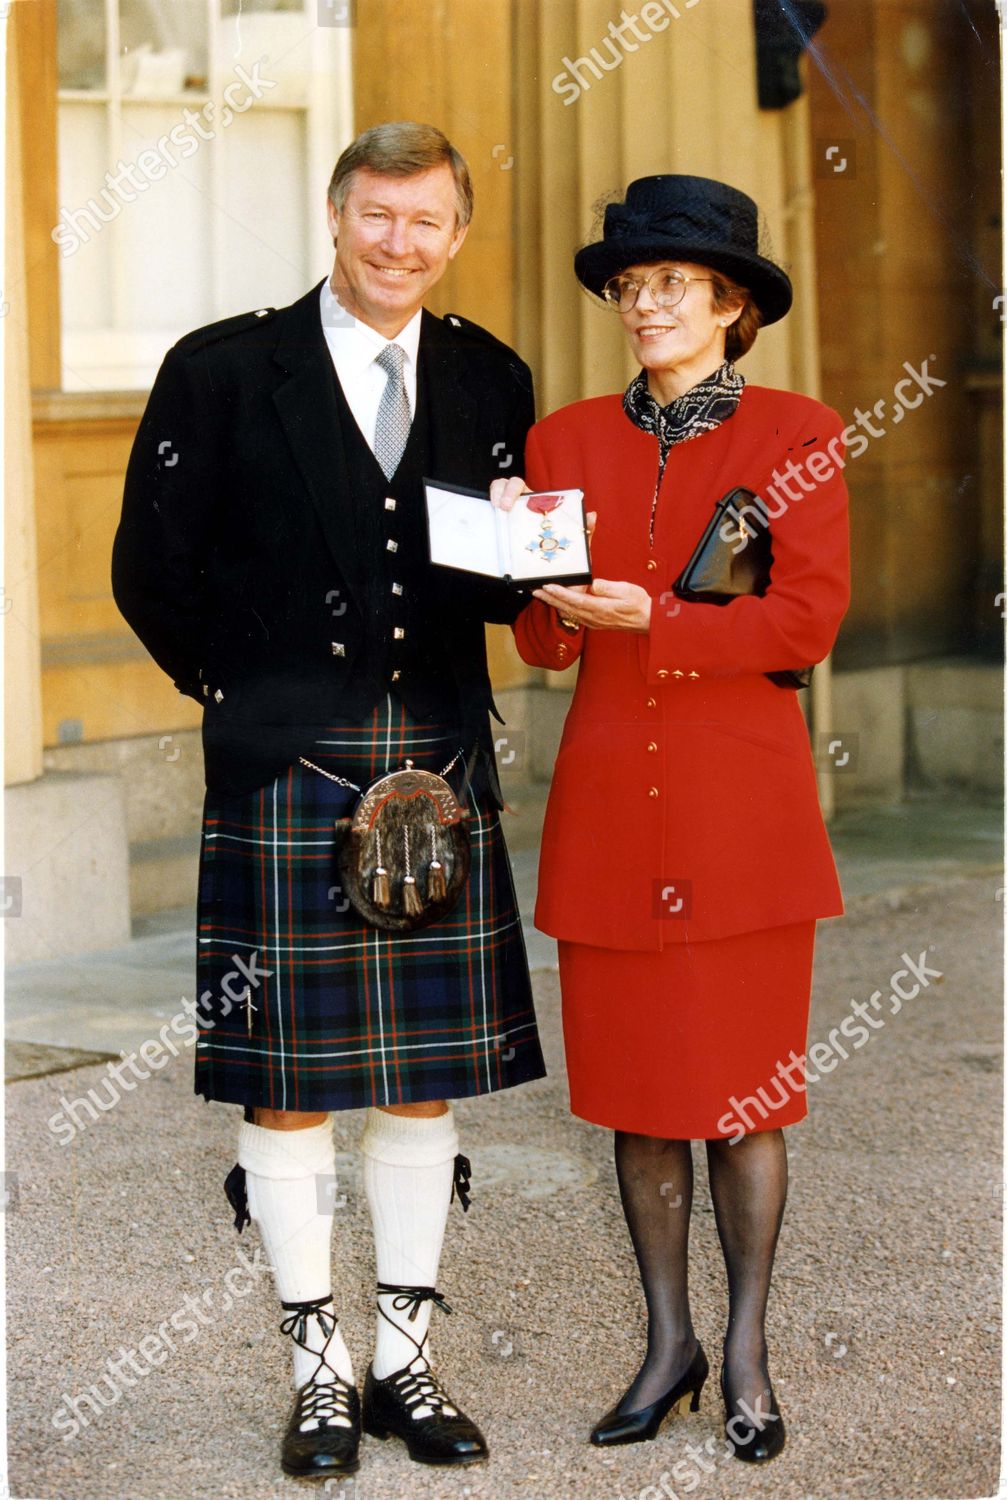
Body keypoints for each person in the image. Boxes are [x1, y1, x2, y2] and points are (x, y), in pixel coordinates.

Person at [112, 121, 546, 1481]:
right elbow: (148, 568)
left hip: (439, 767)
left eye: (426, 222)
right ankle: (317, 1375)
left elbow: (496, 565)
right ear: (335, 214)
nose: (399, 244)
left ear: (457, 233)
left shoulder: (489, 373)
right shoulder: (226, 370)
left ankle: (407, 1365)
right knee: (292, 1091)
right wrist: (247, 701)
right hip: (282, 776)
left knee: (421, 1087)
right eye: (377, 217)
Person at [492, 174, 849, 1463]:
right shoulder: (566, 439)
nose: (645, 306)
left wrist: (667, 623)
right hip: (606, 803)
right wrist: (534, 582)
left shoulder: (798, 433)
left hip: (739, 810)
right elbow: (538, 640)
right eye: (632, 287)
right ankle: (667, 1344)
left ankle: (746, 1353)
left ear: (733, 305)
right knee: (641, 1102)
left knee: (747, 1103)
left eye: (674, 286)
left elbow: (805, 621)